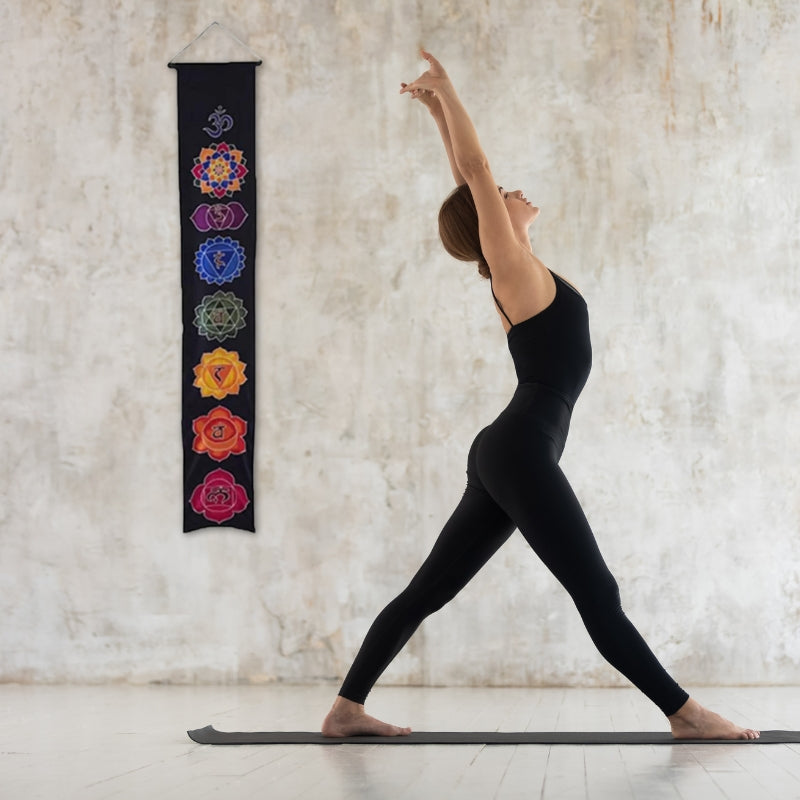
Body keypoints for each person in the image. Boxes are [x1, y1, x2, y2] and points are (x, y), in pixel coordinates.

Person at [322, 50, 759, 740]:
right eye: (502, 197)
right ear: (493, 222)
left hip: (508, 449)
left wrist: (436, 108)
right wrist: (450, 89)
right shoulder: (513, 270)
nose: (511, 190)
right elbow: (476, 174)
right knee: (598, 595)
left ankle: (345, 710)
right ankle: (687, 714)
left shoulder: (518, 271)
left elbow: (470, 186)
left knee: (428, 592)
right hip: (521, 450)